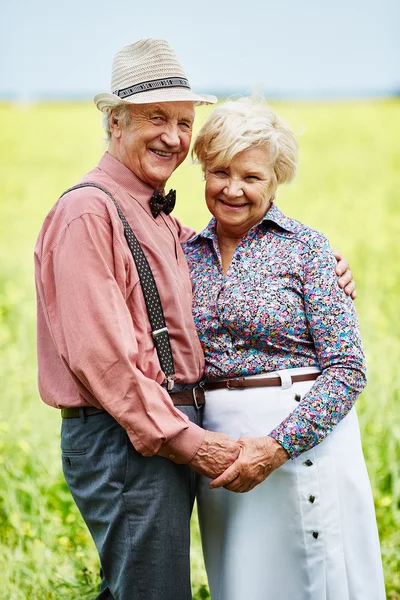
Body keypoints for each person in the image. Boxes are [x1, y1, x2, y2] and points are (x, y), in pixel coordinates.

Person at [34, 40, 355, 600]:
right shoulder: (89, 210)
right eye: (156, 118)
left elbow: (232, 268)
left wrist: (325, 268)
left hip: (162, 435)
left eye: (183, 122)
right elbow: (102, 362)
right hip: (129, 436)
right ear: (115, 122)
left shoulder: (165, 223)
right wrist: (191, 443)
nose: (173, 137)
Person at [183, 99, 385, 600]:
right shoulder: (181, 255)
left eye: (250, 176)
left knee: (319, 581)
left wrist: (275, 448)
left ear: (276, 179)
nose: (232, 189)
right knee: (245, 584)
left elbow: (348, 368)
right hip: (223, 455)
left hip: (301, 447)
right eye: (220, 172)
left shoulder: (308, 249)